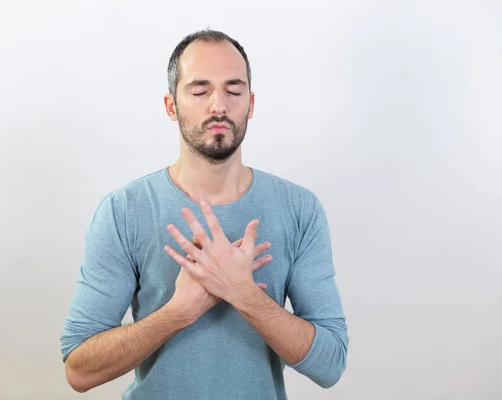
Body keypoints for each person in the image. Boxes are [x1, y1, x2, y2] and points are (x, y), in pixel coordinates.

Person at [60, 29, 349, 399]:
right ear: (171, 106)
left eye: (234, 90)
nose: (219, 105)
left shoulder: (299, 209)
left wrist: (243, 293)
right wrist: (179, 311)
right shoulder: (123, 211)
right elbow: (79, 370)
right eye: (200, 91)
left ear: (251, 103)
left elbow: (330, 364)